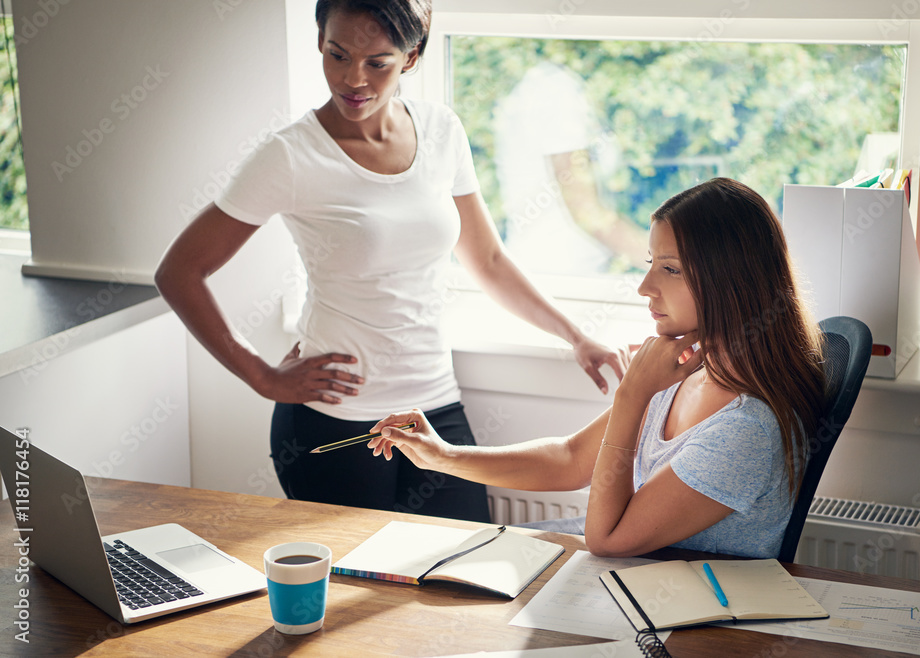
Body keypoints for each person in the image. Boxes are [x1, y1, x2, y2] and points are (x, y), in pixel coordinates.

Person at [153, 0, 625, 523]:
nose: (353, 79)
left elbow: (487, 259)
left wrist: (575, 335)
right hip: (333, 419)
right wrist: (262, 376)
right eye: (338, 55)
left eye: (377, 62)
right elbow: (179, 271)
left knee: (464, 582)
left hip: (435, 407)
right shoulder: (290, 155)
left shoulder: (442, 130)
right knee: (355, 599)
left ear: (412, 57)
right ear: (319, 41)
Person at [367, 178, 828, 558]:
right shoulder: (686, 370)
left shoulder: (748, 428)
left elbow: (607, 540)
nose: (645, 286)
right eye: (651, 263)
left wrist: (631, 395)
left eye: (670, 270)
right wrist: (443, 455)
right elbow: (570, 459)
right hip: (633, 582)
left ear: (731, 282)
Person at [493, 61, 649, 275]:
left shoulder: (565, 87)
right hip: (558, 274)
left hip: (575, 273)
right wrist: (675, 263)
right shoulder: (554, 89)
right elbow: (586, 210)